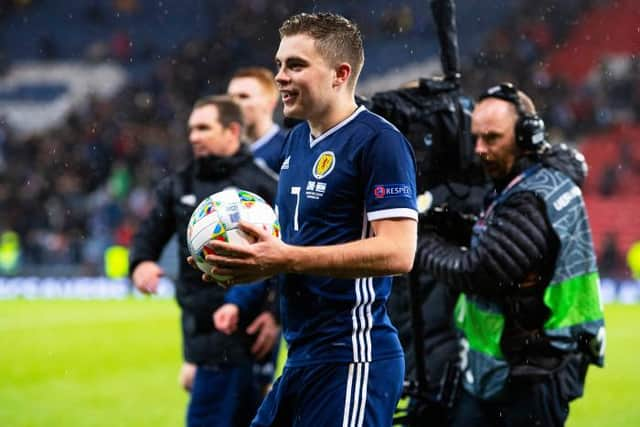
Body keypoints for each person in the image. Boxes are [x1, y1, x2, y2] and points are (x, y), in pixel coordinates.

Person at [197, 12, 418, 427]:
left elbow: (399, 251)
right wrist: (247, 266)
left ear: (340, 74)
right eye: (279, 64)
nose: (280, 76)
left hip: (353, 358)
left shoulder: (379, 142)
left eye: (295, 65)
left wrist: (286, 259)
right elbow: (291, 247)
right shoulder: (297, 140)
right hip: (302, 355)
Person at [417, 82, 606, 427]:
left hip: (530, 374)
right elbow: (495, 238)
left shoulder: (530, 198)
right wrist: (452, 225)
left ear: (526, 137)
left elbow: (479, 271)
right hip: (520, 365)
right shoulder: (530, 184)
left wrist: (417, 244)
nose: (479, 149)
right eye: (475, 137)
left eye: (491, 138)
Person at [129, 95, 279, 427]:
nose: (194, 136)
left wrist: (275, 313)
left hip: (249, 333)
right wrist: (140, 262)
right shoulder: (179, 184)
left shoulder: (263, 185)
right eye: (191, 129)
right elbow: (150, 232)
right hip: (199, 332)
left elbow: (288, 256)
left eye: (203, 128)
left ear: (232, 131)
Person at [227, 67, 288, 173]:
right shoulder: (225, 152)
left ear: (270, 103)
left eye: (243, 96)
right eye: (230, 98)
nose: (234, 104)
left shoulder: (289, 148)